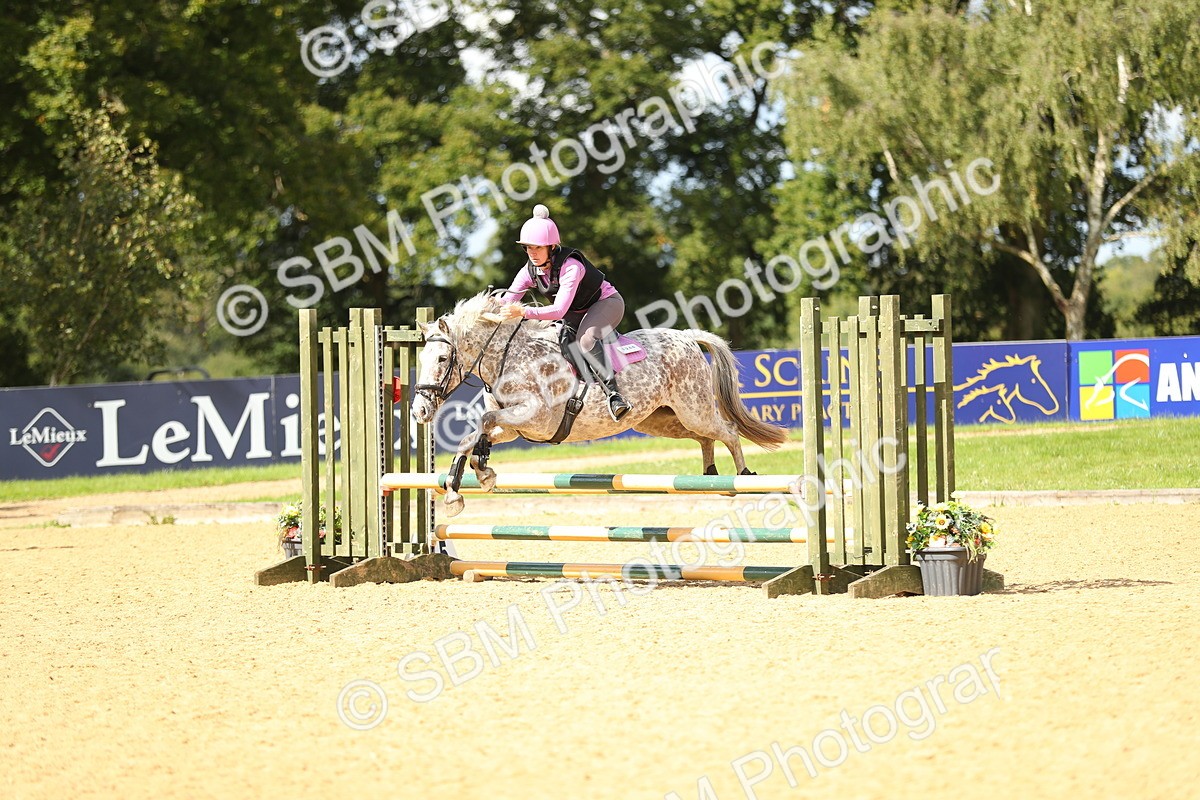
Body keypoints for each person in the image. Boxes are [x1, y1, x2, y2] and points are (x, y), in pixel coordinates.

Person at [498, 204, 632, 421]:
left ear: (551, 246)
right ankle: (585, 391)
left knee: (586, 341)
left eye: (537, 248)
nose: (532, 253)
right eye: (528, 248)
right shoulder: (529, 270)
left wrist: (522, 311)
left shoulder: (571, 266)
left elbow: (558, 310)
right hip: (576, 312)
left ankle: (615, 396)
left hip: (606, 303)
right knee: (559, 342)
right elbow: (507, 300)